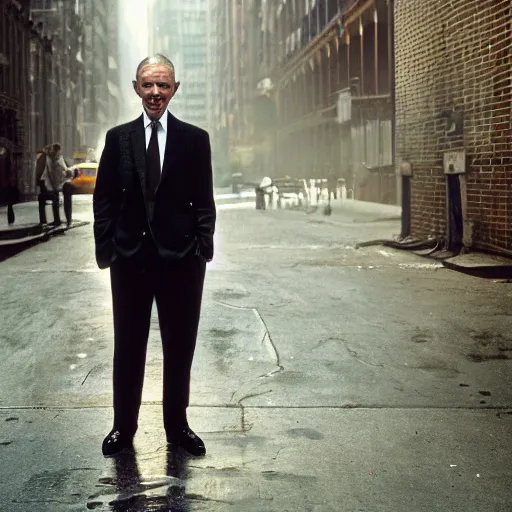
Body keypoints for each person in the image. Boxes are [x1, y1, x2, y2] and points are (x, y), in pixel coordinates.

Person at [93, 54, 216, 457]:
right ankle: (122, 428)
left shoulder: (195, 140)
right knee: (128, 347)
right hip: (130, 262)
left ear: (174, 89)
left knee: (180, 347)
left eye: (163, 85)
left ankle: (177, 428)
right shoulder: (118, 139)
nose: (155, 93)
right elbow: (105, 199)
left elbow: (204, 202)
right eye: (148, 85)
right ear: (136, 88)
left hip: (182, 263)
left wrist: (201, 248)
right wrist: (108, 249)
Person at [38, 143, 73, 226]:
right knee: (47, 199)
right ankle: (50, 221)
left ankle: (61, 220)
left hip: (56, 185)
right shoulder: (47, 159)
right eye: (53, 150)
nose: (54, 152)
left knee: (56, 200)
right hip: (50, 185)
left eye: (55, 151)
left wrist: (67, 172)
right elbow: (47, 173)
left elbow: (66, 170)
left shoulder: (58, 159)